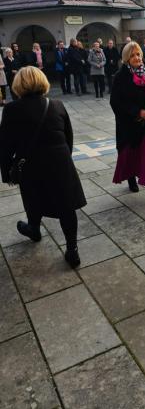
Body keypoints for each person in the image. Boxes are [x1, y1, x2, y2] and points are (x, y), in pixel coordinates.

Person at [0, 66, 86, 268]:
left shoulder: (12, 110)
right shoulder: (56, 104)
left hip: (30, 164)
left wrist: (6, 172)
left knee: (33, 198)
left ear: (18, 85)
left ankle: (34, 229)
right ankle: (72, 249)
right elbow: (68, 137)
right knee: (66, 205)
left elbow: (4, 145)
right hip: (59, 161)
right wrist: (64, 159)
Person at [110, 41, 145, 209]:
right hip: (130, 125)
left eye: (139, 54)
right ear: (127, 58)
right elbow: (116, 102)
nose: (137, 58)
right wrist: (138, 112)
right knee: (131, 153)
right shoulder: (120, 76)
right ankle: (131, 177)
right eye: (133, 55)